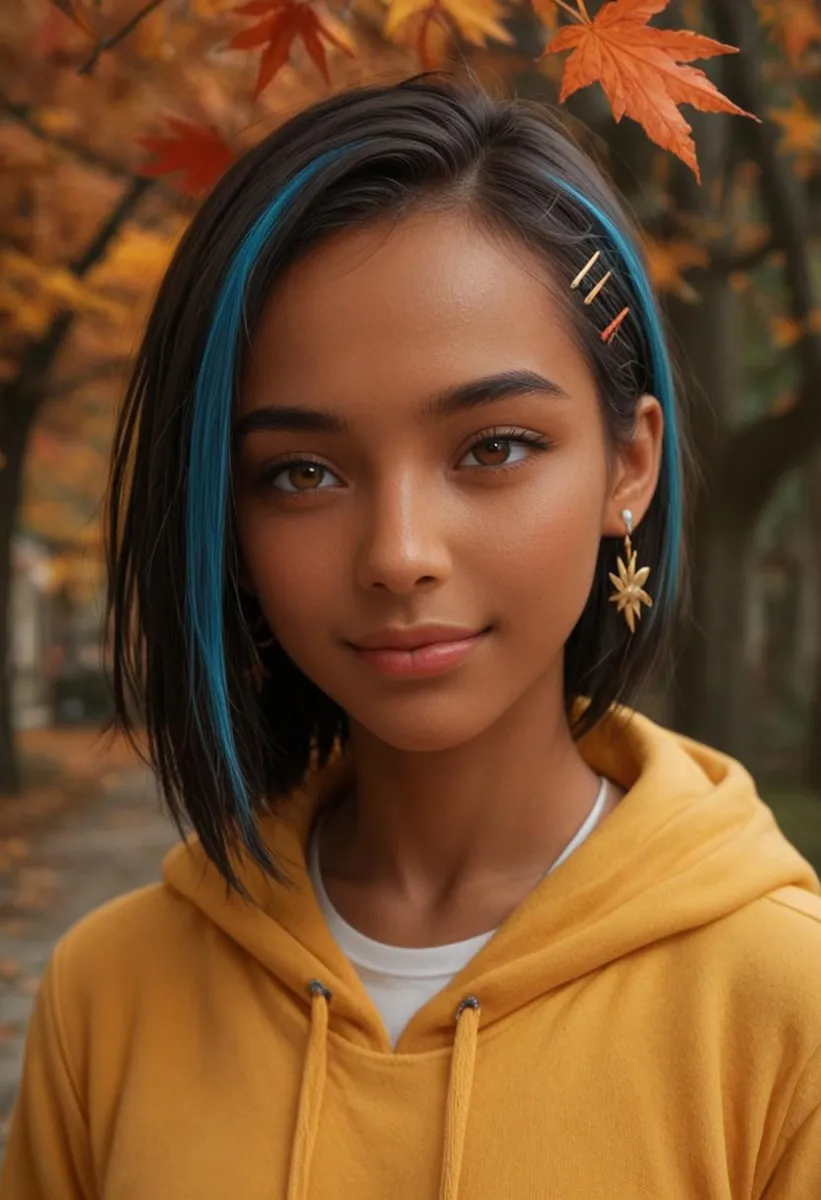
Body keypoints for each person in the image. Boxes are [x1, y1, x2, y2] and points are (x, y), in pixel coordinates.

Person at [2, 73, 820, 1200]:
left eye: (491, 447)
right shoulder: (111, 992)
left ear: (627, 466)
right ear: (223, 522)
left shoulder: (785, 1006)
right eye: (302, 473)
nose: (397, 552)